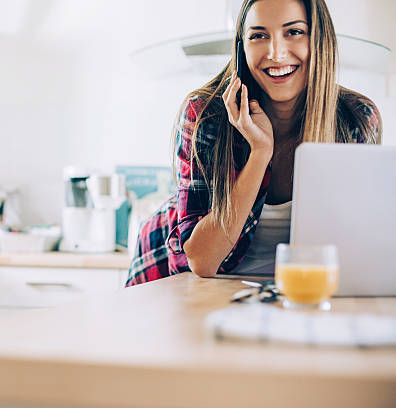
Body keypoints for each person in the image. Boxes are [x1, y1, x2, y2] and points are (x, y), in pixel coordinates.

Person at [126, 0, 382, 286]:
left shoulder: (355, 119)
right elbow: (202, 261)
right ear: (241, 49)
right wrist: (260, 152)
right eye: (258, 35)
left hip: (294, 292)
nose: (275, 53)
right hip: (178, 282)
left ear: (320, 40)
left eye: (294, 32)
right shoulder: (205, 115)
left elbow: (358, 246)